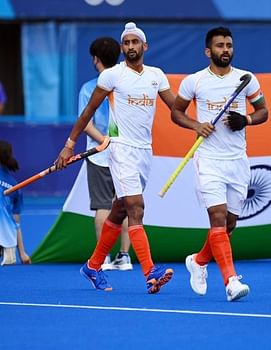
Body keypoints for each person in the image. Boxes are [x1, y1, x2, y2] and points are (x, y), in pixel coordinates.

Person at [55, 22, 176, 294]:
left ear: (145, 46)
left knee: (120, 209)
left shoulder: (156, 76)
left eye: (136, 42)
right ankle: (150, 272)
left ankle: (93, 265)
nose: (131, 46)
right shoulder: (111, 76)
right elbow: (86, 114)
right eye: (127, 42)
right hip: (119, 149)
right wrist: (68, 145)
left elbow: (176, 109)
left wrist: (195, 123)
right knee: (136, 207)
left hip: (144, 152)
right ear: (122, 47)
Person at [171, 27, 269, 302]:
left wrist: (246, 120)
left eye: (228, 45)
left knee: (230, 224)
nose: (225, 49)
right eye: (219, 46)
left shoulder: (246, 79)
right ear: (208, 51)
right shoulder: (194, 81)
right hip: (208, 159)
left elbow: (264, 112)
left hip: (237, 160)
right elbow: (176, 112)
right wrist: (195, 125)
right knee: (217, 217)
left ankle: (199, 261)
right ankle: (231, 281)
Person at [79, 37, 132, 271]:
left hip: (99, 155)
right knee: (126, 204)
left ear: (95, 59)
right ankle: (124, 256)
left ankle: (104, 259)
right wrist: (115, 141)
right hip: (125, 154)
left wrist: (104, 142)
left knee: (103, 206)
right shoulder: (128, 83)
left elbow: (86, 123)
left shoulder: (90, 88)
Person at [0, 140, 31, 265]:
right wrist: (22, 253)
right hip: (8, 241)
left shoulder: (15, 188)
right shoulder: (14, 186)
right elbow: (15, 222)